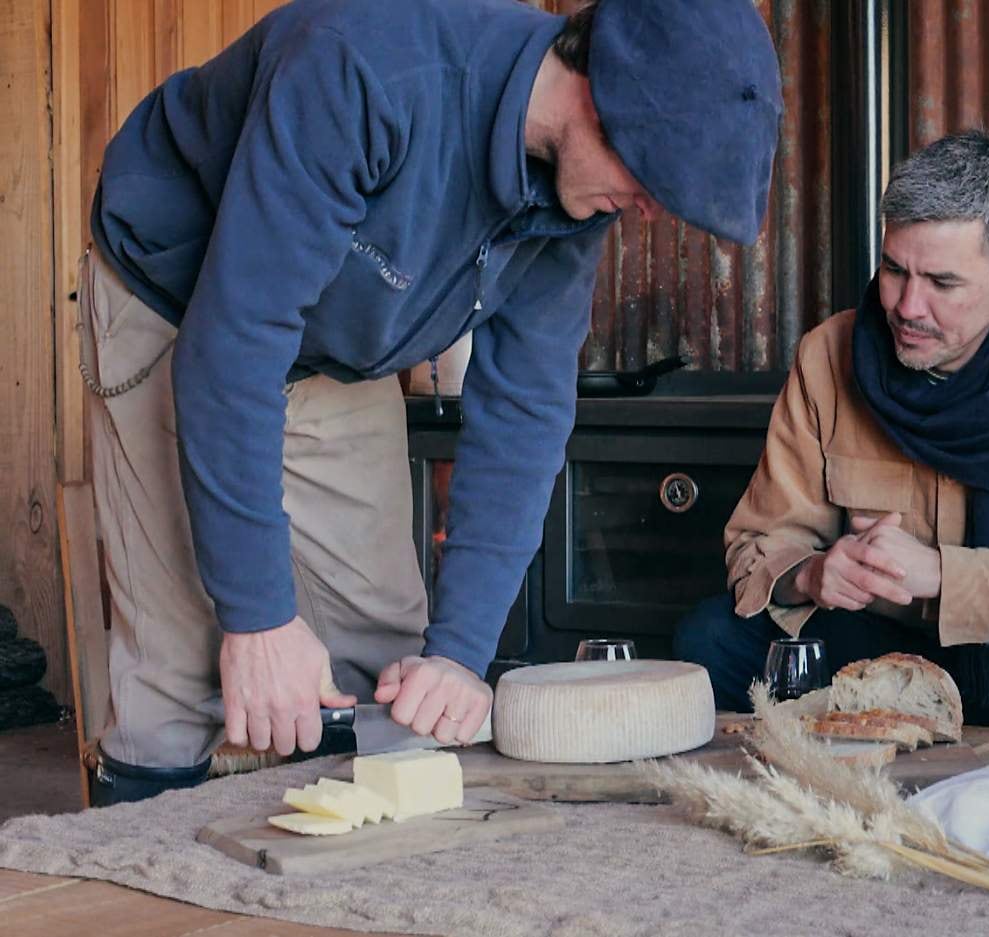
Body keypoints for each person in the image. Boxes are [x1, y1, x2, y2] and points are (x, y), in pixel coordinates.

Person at [80, 0, 781, 804]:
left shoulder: (576, 199)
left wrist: (459, 652)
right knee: (185, 665)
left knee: (392, 665)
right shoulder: (364, 68)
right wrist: (257, 619)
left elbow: (524, 415)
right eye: (653, 180)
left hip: (335, 341)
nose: (651, 211)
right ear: (600, 93)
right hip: (177, 296)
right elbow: (234, 342)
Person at [674, 130, 989, 730]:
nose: (907, 306)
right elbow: (757, 546)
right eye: (895, 270)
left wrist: (948, 577)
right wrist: (810, 573)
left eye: (942, 283)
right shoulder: (831, 355)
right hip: (889, 660)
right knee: (708, 639)